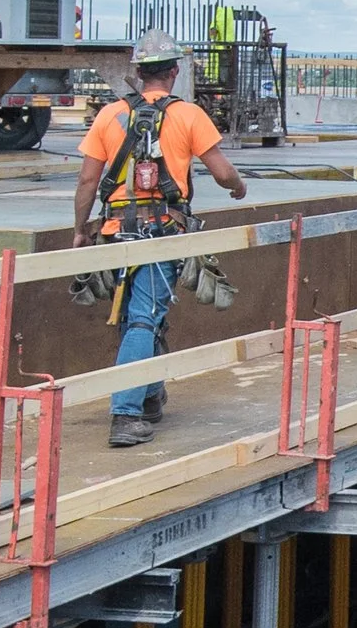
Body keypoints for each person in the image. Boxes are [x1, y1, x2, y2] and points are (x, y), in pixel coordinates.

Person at [74, 32, 249, 443]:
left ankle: (150, 396)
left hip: (115, 231)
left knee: (136, 315)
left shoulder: (110, 115)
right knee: (143, 316)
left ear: (138, 72)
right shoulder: (188, 115)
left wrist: (80, 230)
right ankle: (125, 413)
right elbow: (223, 172)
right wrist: (238, 187)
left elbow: (87, 182)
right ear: (173, 72)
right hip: (161, 230)